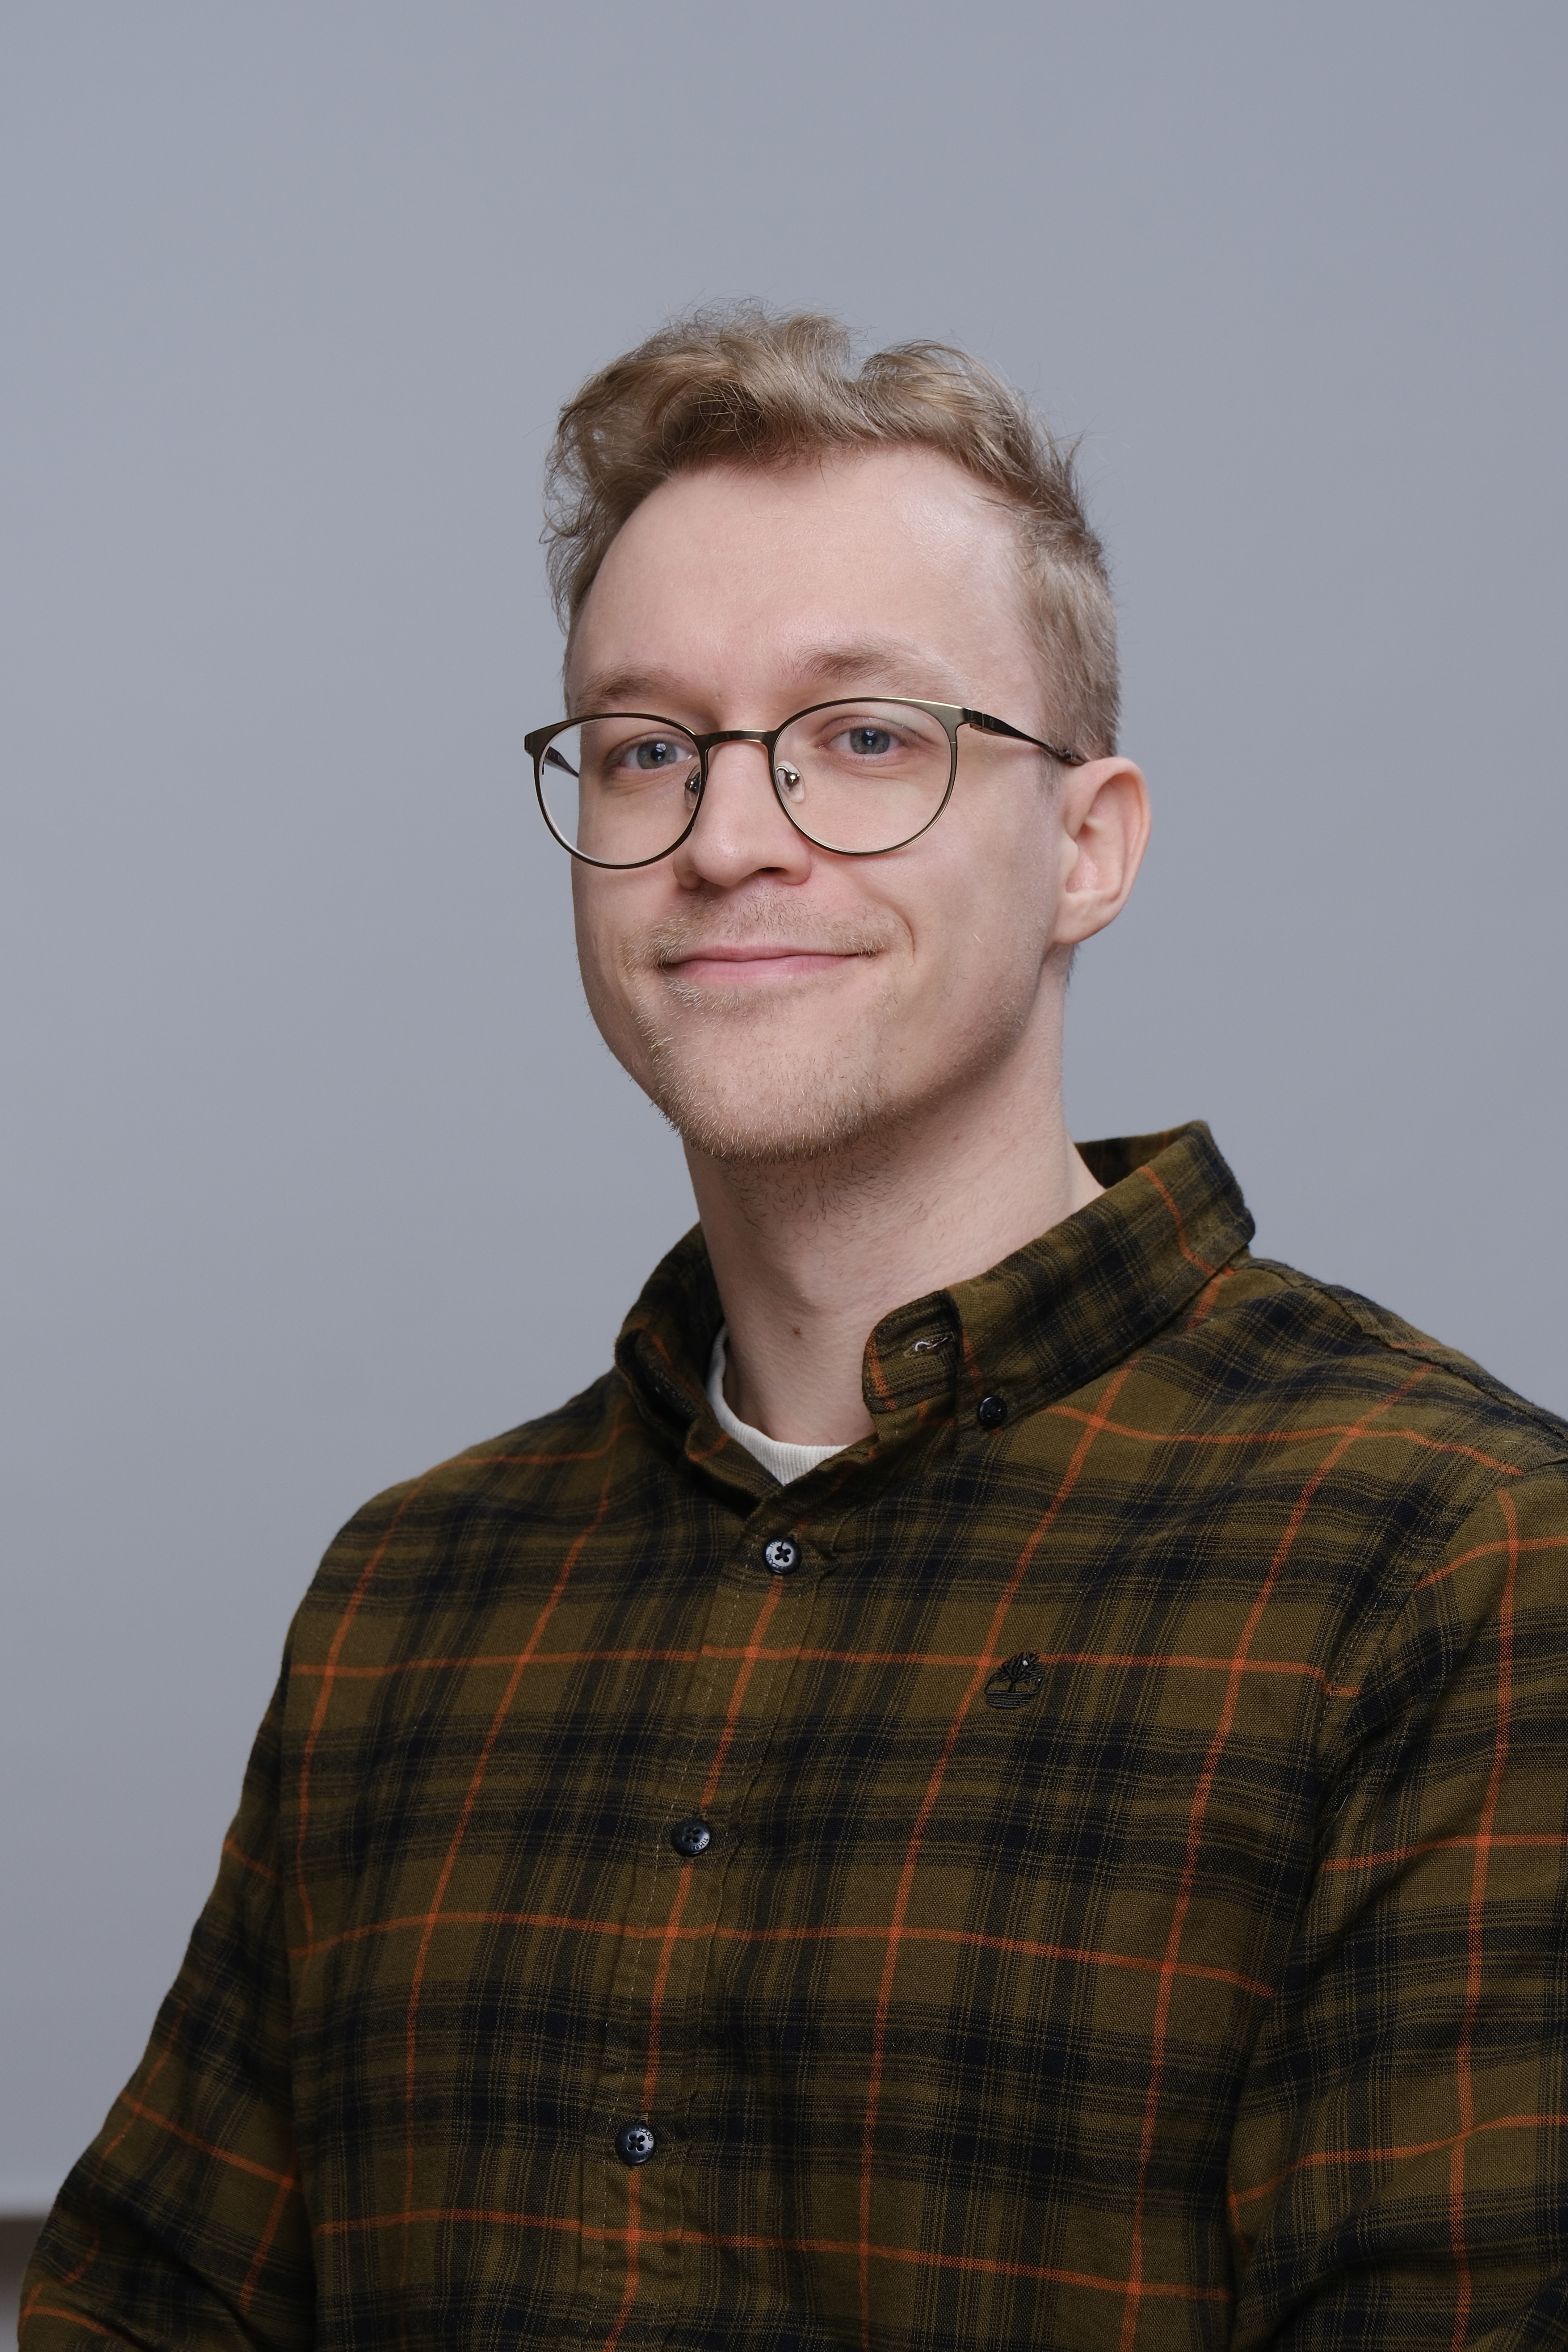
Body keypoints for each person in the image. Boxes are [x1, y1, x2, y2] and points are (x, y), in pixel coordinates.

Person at [21, 306, 1568, 2352]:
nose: (729, 836)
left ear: (1087, 846)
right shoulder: (409, 1596)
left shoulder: (1455, 1560)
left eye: (865, 738)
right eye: (647, 747)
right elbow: (142, 2316)